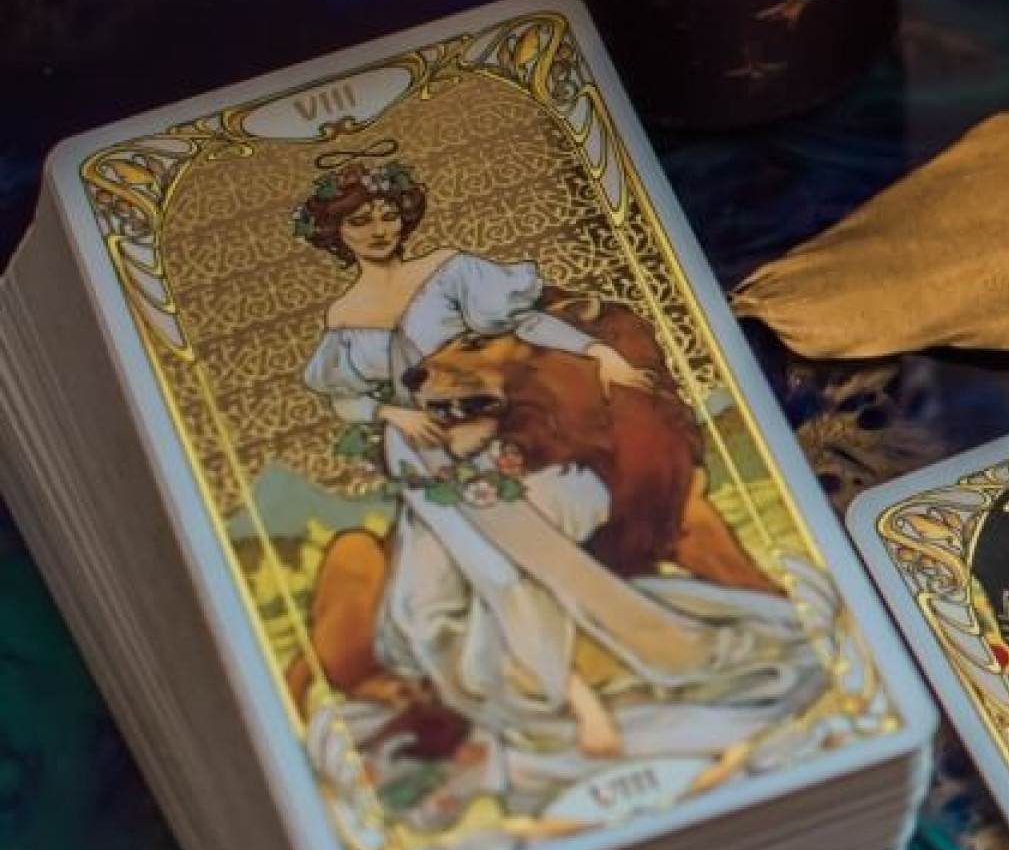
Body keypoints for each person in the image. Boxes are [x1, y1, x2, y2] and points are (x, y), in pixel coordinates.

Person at [293, 144, 821, 799]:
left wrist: (598, 351)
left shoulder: (452, 273)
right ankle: (515, 704)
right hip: (417, 453)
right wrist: (390, 413)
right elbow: (344, 397)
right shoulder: (342, 318)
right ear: (336, 235)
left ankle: (580, 695)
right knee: (427, 605)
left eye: (385, 213)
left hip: (486, 439)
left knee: (513, 566)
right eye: (359, 221)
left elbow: (527, 326)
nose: (378, 229)